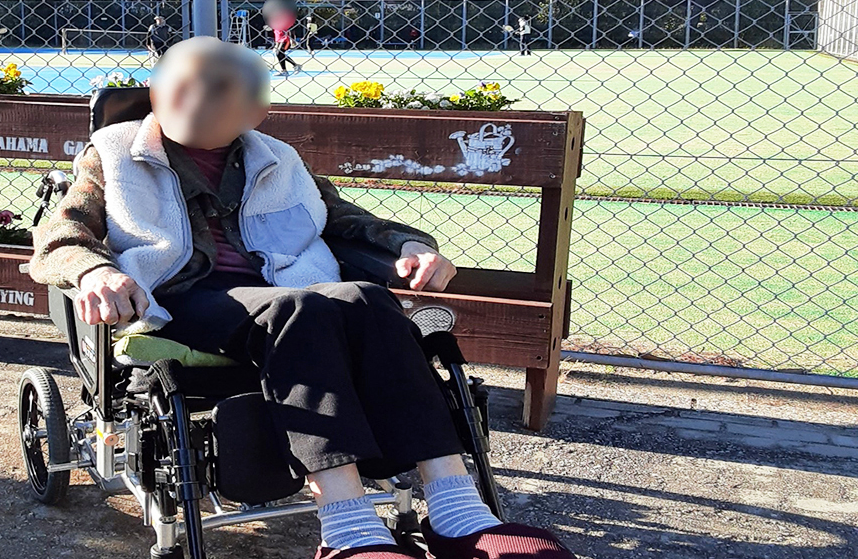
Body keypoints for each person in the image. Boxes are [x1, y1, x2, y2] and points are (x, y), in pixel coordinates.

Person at [29, 36, 576, 559]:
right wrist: (93, 271)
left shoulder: (279, 157)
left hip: (283, 294)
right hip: (182, 300)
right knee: (299, 307)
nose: (197, 100)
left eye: (217, 91)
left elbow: (341, 218)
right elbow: (61, 234)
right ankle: (349, 527)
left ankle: (461, 514)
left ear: (255, 110)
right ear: (154, 92)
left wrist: (408, 245)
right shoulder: (112, 154)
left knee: (367, 297)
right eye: (183, 87)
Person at [271, 9, 301, 75]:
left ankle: (292, 67)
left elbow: (290, 31)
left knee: (279, 53)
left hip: (285, 40)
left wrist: (292, 40)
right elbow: (277, 35)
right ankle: (287, 69)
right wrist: (276, 44)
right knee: (280, 54)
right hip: (280, 40)